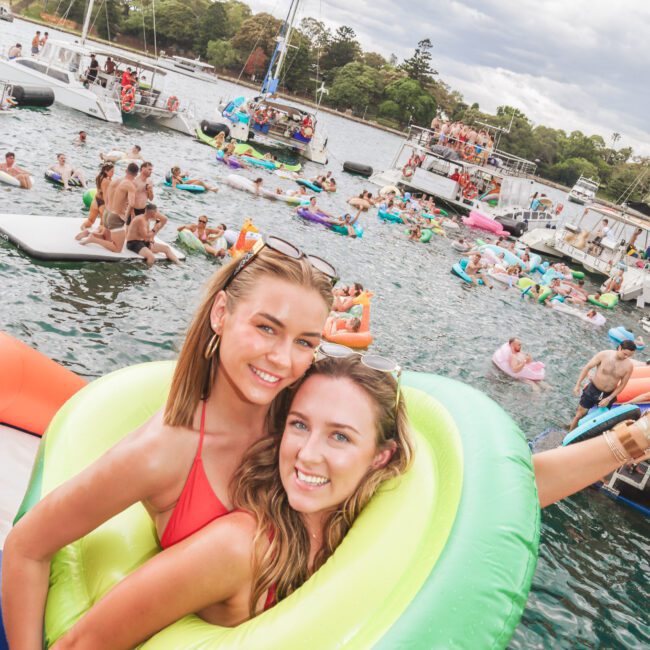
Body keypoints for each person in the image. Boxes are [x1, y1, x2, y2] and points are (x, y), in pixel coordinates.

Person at [2, 237, 338, 647]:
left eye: (305, 342)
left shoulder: (305, 417)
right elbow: (26, 547)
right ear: (221, 313)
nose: (284, 360)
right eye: (266, 328)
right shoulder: (162, 452)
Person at [32, 352, 412, 646]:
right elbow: (77, 645)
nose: (307, 454)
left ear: (382, 455)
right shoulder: (239, 547)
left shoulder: (367, 533)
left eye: (340, 436)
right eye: (299, 424)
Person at [569, 341, 637, 430]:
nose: (626, 357)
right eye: (625, 354)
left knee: (599, 420)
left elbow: (622, 385)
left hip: (609, 394)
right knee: (579, 415)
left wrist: (609, 398)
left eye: (629, 356)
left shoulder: (628, 366)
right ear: (620, 348)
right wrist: (577, 385)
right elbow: (587, 367)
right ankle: (568, 435)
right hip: (593, 389)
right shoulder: (604, 355)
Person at [80, 162, 138, 253]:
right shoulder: (130, 185)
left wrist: (108, 208)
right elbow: (132, 203)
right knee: (117, 248)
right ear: (136, 174)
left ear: (126, 170)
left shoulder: (116, 181)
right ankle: (93, 239)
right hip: (116, 216)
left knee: (107, 238)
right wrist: (126, 217)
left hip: (107, 212)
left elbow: (107, 196)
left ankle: (90, 234)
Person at [76, 162, 114, 239]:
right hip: (103, 203)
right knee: (103, 225)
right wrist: (108, 208)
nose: (113, 173)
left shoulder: (99, 177)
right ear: (106, 171)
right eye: (111, 171)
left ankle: (84, 229)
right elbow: (106, 196)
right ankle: (92, 235)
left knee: (90, 221)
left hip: (95, 201)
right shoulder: (107, 181)